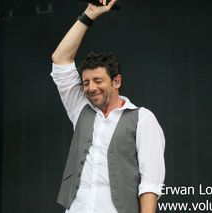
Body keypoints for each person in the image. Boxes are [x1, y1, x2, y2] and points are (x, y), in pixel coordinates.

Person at [51, 0, 165, 212]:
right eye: (86, 82)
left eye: (98, 80)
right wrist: (89, 14)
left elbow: (151, 181)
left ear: (117, 81)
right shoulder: (80, 109)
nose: (91, 87)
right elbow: (60, 60)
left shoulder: (143, 118)